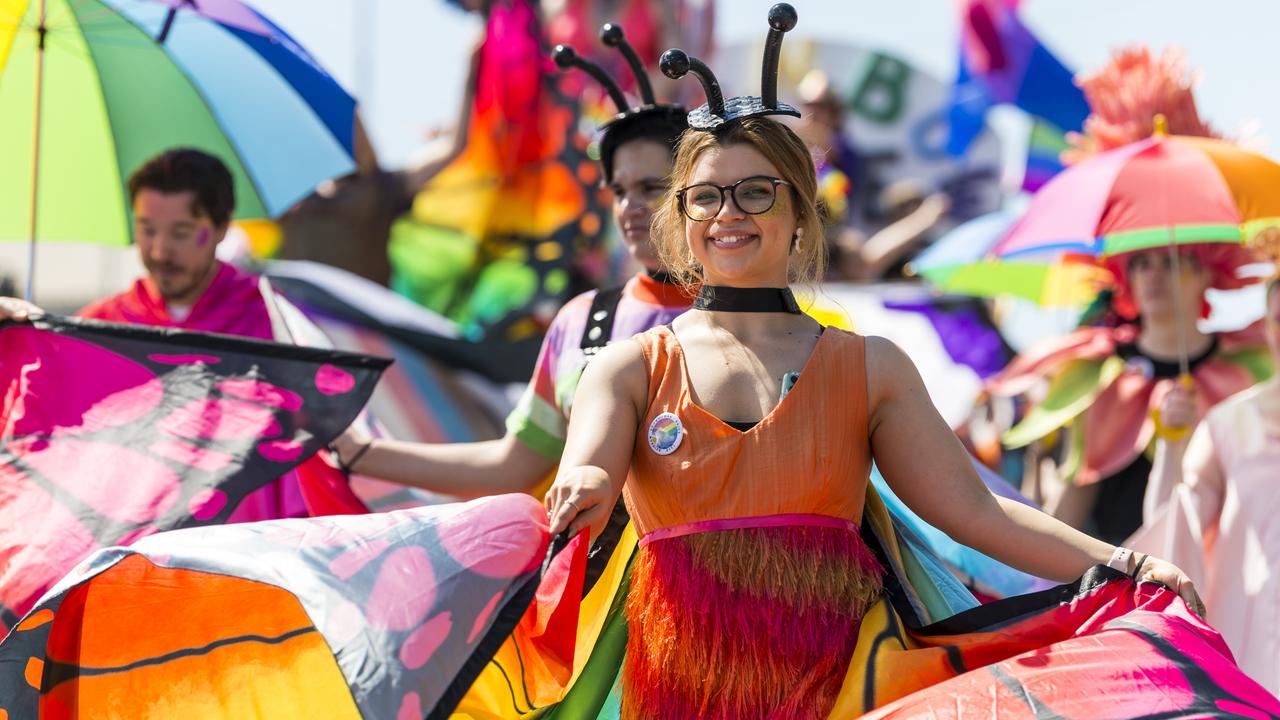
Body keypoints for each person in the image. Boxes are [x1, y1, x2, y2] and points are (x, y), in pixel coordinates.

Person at [542, 11, 1203, 715]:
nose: (727, 213)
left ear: (799, 210)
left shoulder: (869, 368)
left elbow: (980, 514)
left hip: (841, 692)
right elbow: (587, 468)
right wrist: (581, 481)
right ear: (681, 216)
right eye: (705, 196)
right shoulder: (626, 369)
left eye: (755, 192)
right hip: (681, 697)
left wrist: (1124, 563)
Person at [329, 24, 692, 498]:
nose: (630, 208)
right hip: (587, 572)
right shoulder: (581, 322)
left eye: (652, 188)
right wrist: (360, 452)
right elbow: (510, 465)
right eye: (620, 191)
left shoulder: (752, 314)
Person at [0, 148, 314, 521]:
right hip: (127, 555)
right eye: (147, 229)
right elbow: (41, 436)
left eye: (180, 233)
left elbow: (310, 457)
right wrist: (24, 343)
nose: (160, 251)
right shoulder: (102, 324)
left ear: (221, 228)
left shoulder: (272, 322)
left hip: (240, 554)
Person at [1131, 269, 1280, 693]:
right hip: (1251, 647)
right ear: (1268, 326)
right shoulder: (1228, 423)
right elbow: (1172, 525)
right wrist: (1171, 444)